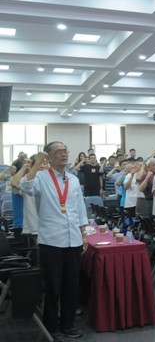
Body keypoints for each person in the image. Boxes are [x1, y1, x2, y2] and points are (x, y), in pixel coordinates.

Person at [20, 142, 88, 340]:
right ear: (48, 157)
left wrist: (84, 233)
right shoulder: (41, 177)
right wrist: (36, 163)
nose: (63, 154)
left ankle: (68, 325)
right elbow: (25, 186)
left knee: (72, 285)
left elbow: (80, 208)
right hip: (51, 241)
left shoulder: (73, 179)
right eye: (58, 151)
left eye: (65, 151)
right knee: (53, 287)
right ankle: (52, 327)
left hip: (73, 239)